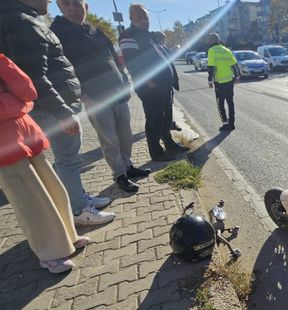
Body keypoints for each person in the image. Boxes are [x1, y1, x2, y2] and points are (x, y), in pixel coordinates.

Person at [0, 0, 116, 226]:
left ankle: (77, 199)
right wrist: (63, 112)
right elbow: (35, 77)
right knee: (68, 160)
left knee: (69, 159)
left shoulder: (22, 18)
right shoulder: (22, 21)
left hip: (53, 105)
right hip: (51, 108)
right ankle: (78, 210)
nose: (49, 1)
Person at [0, 54, 91, 273]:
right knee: (30, 202)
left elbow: (28, 91)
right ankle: (48, 253)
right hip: (4, 144)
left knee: (53, 190)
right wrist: (15, 104)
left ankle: (67, 237)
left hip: (25, 132)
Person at [51, 0, 151, 194]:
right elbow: (61, 70)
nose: (73, 8)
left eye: (77, 4)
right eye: (67, 4)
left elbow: (113, 56)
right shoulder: (58, 33)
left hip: (116, 92)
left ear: (86, 7)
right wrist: (83, 96)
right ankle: (119, 174)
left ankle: (128, 166)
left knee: (125, 134)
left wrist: (124, 82)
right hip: (95, 97)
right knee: (109, 139)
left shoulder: (94, 30)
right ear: (59, 7)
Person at [118, 3, 187, 162]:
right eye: (140, 17)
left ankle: (170, 145)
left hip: (164, 86)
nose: (144, 20)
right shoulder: (128, 36)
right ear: (131, 18)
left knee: (166, 117)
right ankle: (156, 153)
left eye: (145, 17)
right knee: (155, 119)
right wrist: (150, 82)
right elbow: (133, 62)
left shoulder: (148, 35)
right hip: (151, 88)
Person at [207, 33, 240, 132]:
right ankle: (232, 123)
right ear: (218, 39)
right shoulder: (226, 49)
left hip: (219, 82)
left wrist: (210, 80)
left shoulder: (211, 50)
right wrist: (237, 76)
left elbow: (211, 67)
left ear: (211, 40)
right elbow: (234, 64)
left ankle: (225, 124)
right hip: (229, 80)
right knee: (230, 102)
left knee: (220, 103)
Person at [152, 31, 182, 132]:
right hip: (162, 84)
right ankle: (166, 127)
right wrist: (178, 49)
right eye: (164, 39)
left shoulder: (159, 47)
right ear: (160, 39)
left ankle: (169, 123)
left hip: (166, 83)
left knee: (169, 105)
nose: (165, 41)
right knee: (166, 107)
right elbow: (173, 54)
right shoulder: (158, 47)